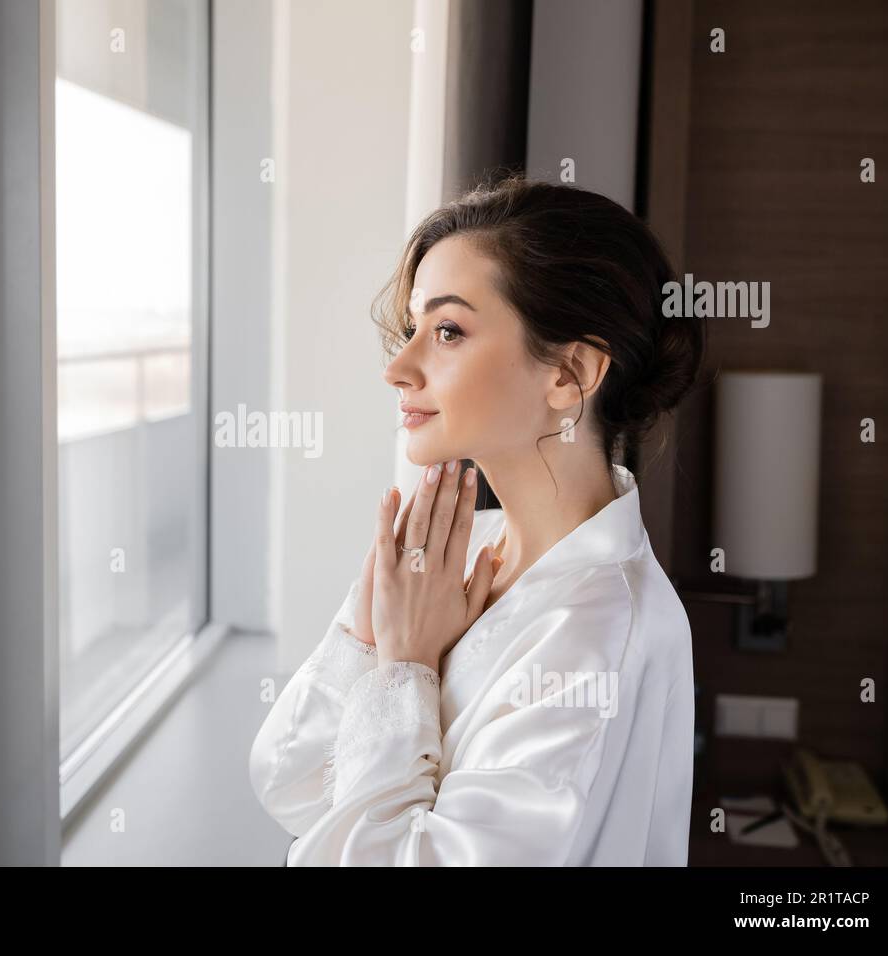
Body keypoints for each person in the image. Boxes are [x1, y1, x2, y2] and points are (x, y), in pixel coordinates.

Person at [248, 175, 706, 865]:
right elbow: (287, 782)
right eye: (411, 330)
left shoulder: (598, 634)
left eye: (447, 331)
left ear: (570, 373)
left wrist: (404, 669)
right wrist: (377, 642)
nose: (398, 368)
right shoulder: (451, 555)